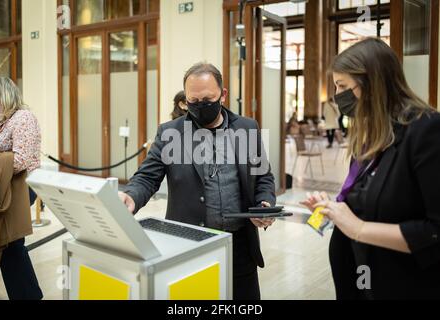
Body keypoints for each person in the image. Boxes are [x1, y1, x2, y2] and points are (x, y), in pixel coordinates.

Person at [119, 63, 276, 300]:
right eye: (193, 101)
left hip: (240, 245)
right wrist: (130, 196)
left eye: (208, 99)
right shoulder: (171, 132)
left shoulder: (246, 128)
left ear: (222, 95)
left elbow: (263, 176)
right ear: (185, 100)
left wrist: (265, 203)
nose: (201, 106)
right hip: (189, 243)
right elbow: (147, 176)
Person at [301, 38, 440, 300]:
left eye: (342, 86)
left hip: (401, 283)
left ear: (372, 84)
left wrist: (358, 228)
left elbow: (434, 231)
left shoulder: (426, 130)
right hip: (357, 277)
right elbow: (368, 200)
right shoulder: (372, 135)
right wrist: (335, 209)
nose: (337, 96)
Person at [0, 77, 43, 300]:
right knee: (0, 240)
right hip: (2, 187)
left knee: (11, 243)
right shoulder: (0, 122)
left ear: (4, 97)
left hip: (19, 188)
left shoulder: (23, 118)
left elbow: (20, 160)